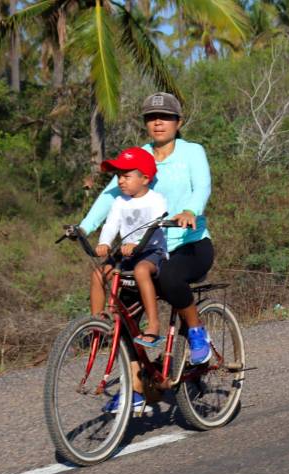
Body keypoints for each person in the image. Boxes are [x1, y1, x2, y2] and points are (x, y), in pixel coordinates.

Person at [80, 92, 215, 413]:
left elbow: (203, 187)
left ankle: (196, 334)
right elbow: (110, 194)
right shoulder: (138, 156)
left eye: (165, 117)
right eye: (151, 117)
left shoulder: (191, 152)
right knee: (123, 310)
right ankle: (136, 386)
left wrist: (189, 210)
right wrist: (84, 227)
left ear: (178, 123)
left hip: (189, 243)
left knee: (169, 278)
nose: (158, 122)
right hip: (145, 248)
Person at [94, 147, 168, 347]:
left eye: (126, 176)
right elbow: (111, 225)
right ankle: (97, 322)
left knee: (141, 271)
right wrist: (104, 243)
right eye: (119, 176)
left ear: (144, 179)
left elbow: (157, 223)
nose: (120, 181)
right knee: (99, 273)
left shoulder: (156, 199)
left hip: (151, 251)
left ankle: (153, 324)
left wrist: (137, 244)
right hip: (127, 252)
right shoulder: (120, 201)